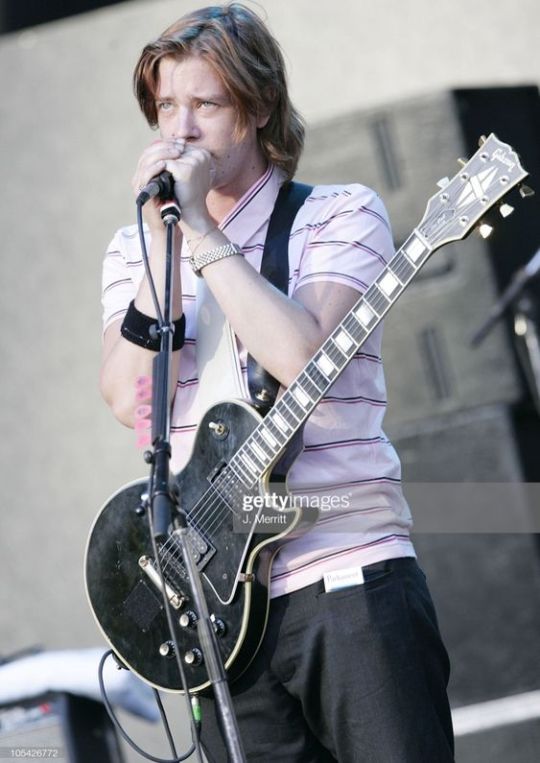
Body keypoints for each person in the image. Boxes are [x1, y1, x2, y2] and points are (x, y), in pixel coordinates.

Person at [100, 4, 455, 761]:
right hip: (218, 613)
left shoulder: (337, 214)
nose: (179, 130)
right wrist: (163, 249)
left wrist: (202, 231)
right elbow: (129, 399)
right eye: (166, 106)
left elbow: (299, 356)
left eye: (205, 105)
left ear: (258, 107)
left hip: (347, 574)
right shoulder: (136, 251)